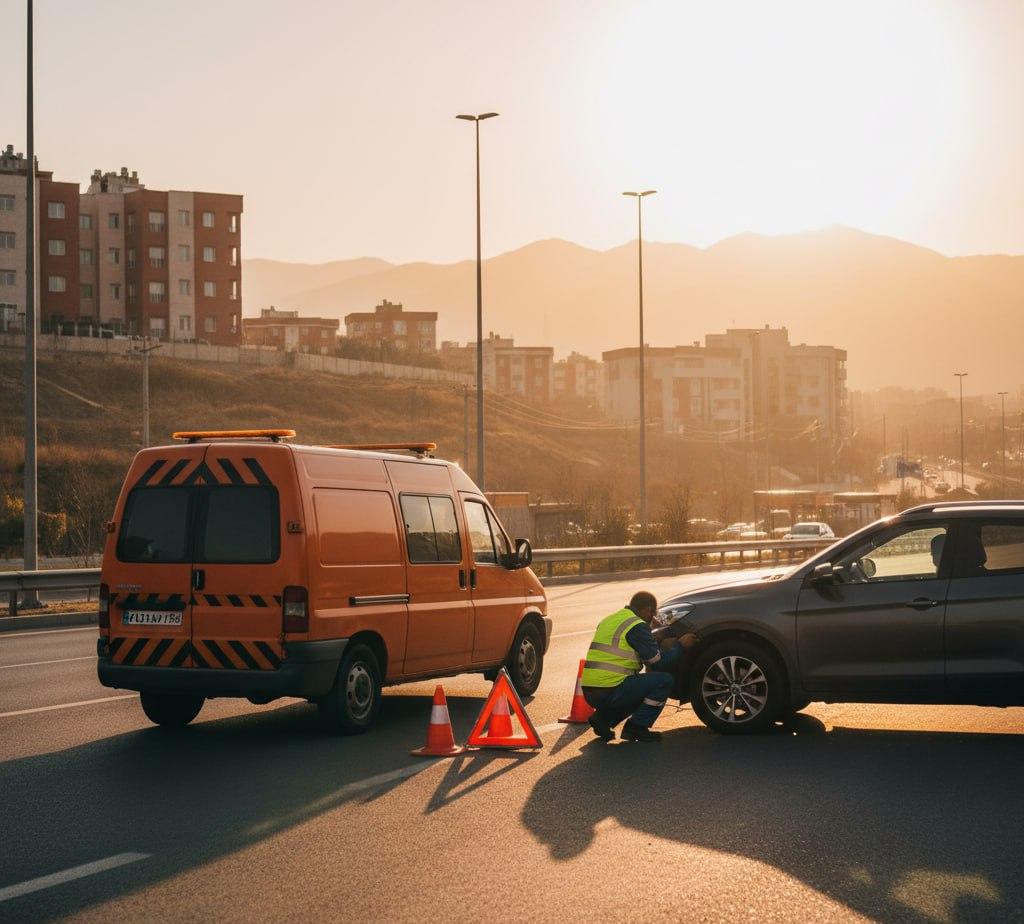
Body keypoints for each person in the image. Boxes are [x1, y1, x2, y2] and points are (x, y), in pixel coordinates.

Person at [581, 591, 697, 743]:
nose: (653, 619)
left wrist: (654, 635)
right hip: (610, 690)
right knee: (664, 681)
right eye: (652, 614)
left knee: (637, 686)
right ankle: (637, 727)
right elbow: (659, 663)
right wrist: (680, 645)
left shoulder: (612, 619)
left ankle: (603, 719)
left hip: (590, 690)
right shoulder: (637, 626)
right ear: (647, 610)